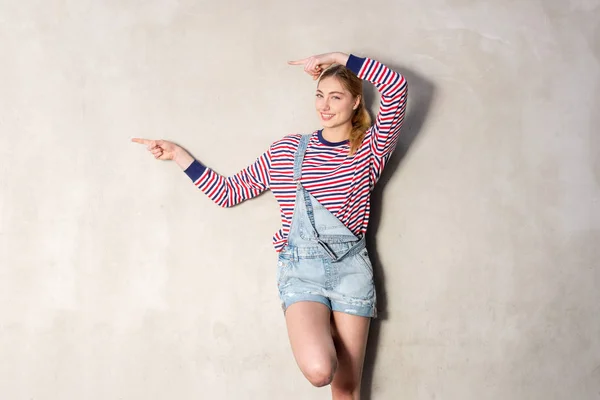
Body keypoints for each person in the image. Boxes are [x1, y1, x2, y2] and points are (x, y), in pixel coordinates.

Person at [132, 51, 407, 399]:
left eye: (336, 96)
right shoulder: (288, 150)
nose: (324, 105)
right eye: (319, 95)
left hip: (352, 272)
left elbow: (397, 87)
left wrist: (340, 57)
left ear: (355, 102)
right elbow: (230, 192)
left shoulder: (370, 148)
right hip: (301, 272)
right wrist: (177, 155)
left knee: (347, 390)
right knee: (321, 369)